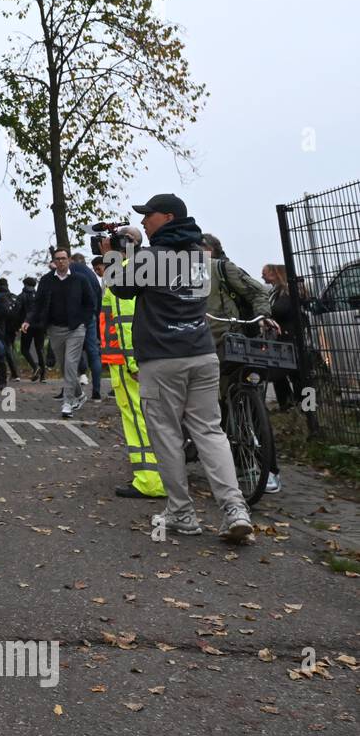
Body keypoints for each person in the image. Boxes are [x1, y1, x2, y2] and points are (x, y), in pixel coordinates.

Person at [115, 194, 252, 541]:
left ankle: (181, 512)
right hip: (203, 354)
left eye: (150, 215)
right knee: (210, 431)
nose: (145, 221)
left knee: (167, 436)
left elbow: (120, 286)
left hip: (162, 360)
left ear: (169, 216)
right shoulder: (201, 256)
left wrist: (116, 251)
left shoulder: (152, 256)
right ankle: (235, 509)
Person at [202, 234, 281, 493]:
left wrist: (262, 317)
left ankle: (267, 468)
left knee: (249, 403)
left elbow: (257, 291)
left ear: (210, 250)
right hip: (205, 348)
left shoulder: (224, 269)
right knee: (219, 407)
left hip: (236, 342)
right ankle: (237, 463)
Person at [99, 227, 165, 499]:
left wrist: (132, 362)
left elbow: (126, 321)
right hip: (130, 358)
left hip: (127, 361)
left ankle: (149, 480)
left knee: (138, 419)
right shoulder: (136, 267)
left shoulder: (124, 271)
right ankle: (156, 476)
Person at [22, 247, 96, 418]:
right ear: (54, 262)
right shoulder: (47, 281)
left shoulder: (80, 279)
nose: (61, 261)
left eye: (64, 258)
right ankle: (79, 395)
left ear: (69, 260)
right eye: (58, 259)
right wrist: (28, 320)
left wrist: (83, 322)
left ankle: (67, 403)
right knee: (64, 366)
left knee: (71, 364)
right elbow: (38, 303)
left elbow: (90, 303)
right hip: (55, 329)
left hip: (75, 328)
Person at [262, 263, 305, 414]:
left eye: (265, 273)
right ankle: (291, 405)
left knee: (299, 375)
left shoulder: (287, 291)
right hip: (283, 337)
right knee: (282, 374)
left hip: (290, 337)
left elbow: (280, 309)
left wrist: (266, 313)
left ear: (276, 274)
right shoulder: (276, 292)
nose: (263, 276)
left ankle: (306, 406)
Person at [72, 252, 104, 399]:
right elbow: (98, 296)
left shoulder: (70, 272)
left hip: (73, 317)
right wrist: (95, 315)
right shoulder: (92, 276)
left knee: (71, 352)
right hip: (90, 316)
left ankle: (73, 390)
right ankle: (96, 391)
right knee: (93, 352)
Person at [17, 276, 46, 380]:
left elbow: (18, 312)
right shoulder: (39, 296)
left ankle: (35, 367)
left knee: (24, 349)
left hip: (27, 325)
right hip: (40, 326)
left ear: (24, 284)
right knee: (40, 349)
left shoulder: (22, 296)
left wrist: (19, 324)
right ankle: (43, 376)